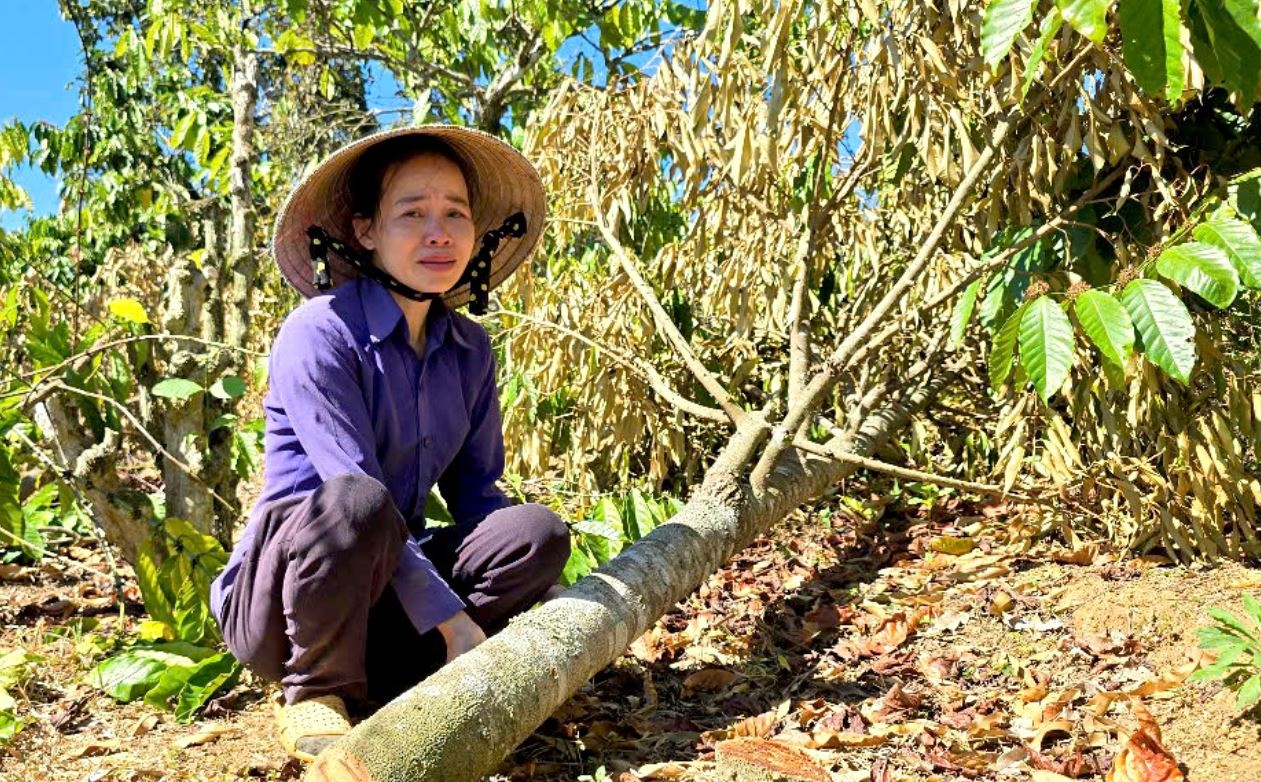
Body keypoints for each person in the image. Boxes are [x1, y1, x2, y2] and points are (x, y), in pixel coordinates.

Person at [208, 125, 569, 762]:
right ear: (366, 231)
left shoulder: (469, 350)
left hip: (384, 598)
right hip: (285, 603)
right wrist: (456, 617)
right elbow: (349, 492)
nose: (439, 232)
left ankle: (399, 672)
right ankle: (315, 689)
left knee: (536, 532)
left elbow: (478, 496)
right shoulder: (319, 332)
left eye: (455, 213)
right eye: (413, 213)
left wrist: (544, 590)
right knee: (359, 500)